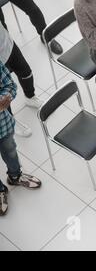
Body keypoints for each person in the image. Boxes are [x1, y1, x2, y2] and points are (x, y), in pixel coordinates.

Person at [0, 60, 42, 216]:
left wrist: (4, 98)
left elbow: (10, 85)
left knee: (10, 151)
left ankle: (15, 176)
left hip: (2, 125)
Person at [0, 23, 42, 137]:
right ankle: (10, 121)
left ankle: (30, 97)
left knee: (25, 71)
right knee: (2, 94)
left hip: (6, 43)